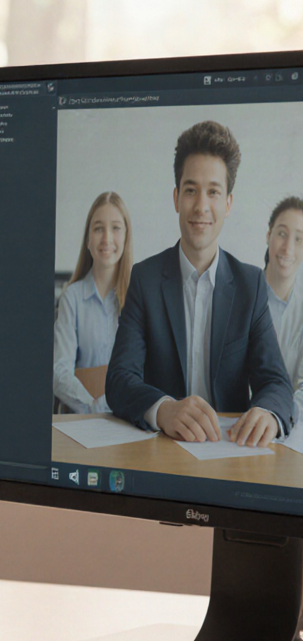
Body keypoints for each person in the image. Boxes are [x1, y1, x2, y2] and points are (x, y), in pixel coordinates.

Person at [107, 121, 293, 445]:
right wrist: (163, 409)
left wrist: (268, 413)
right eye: (191, 190)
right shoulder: (145, 279)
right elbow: (119, 379)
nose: (201, 206)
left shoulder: (250, 285)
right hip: (163, 447)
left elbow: (276, 382)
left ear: (228, 203)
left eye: (213, 192)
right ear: (176, 198)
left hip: (229, 448)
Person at [53, 192, 134, 414]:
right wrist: (94, 408)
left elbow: (144, 372)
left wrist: (110, 405)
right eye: (98, 228)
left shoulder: (137, 298)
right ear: (88, 240)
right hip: (80, 420)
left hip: (126, 420)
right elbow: (59, 372)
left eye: (115, 228)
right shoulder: (71, 298)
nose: (107, 238)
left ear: (126, 237)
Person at [261, 196, 303, 426]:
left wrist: (276, 418)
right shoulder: (241, 298)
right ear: (269, 235)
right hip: (232, 421)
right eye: (282, 234)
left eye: (299, 239)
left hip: (285, 427)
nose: (288, 248)